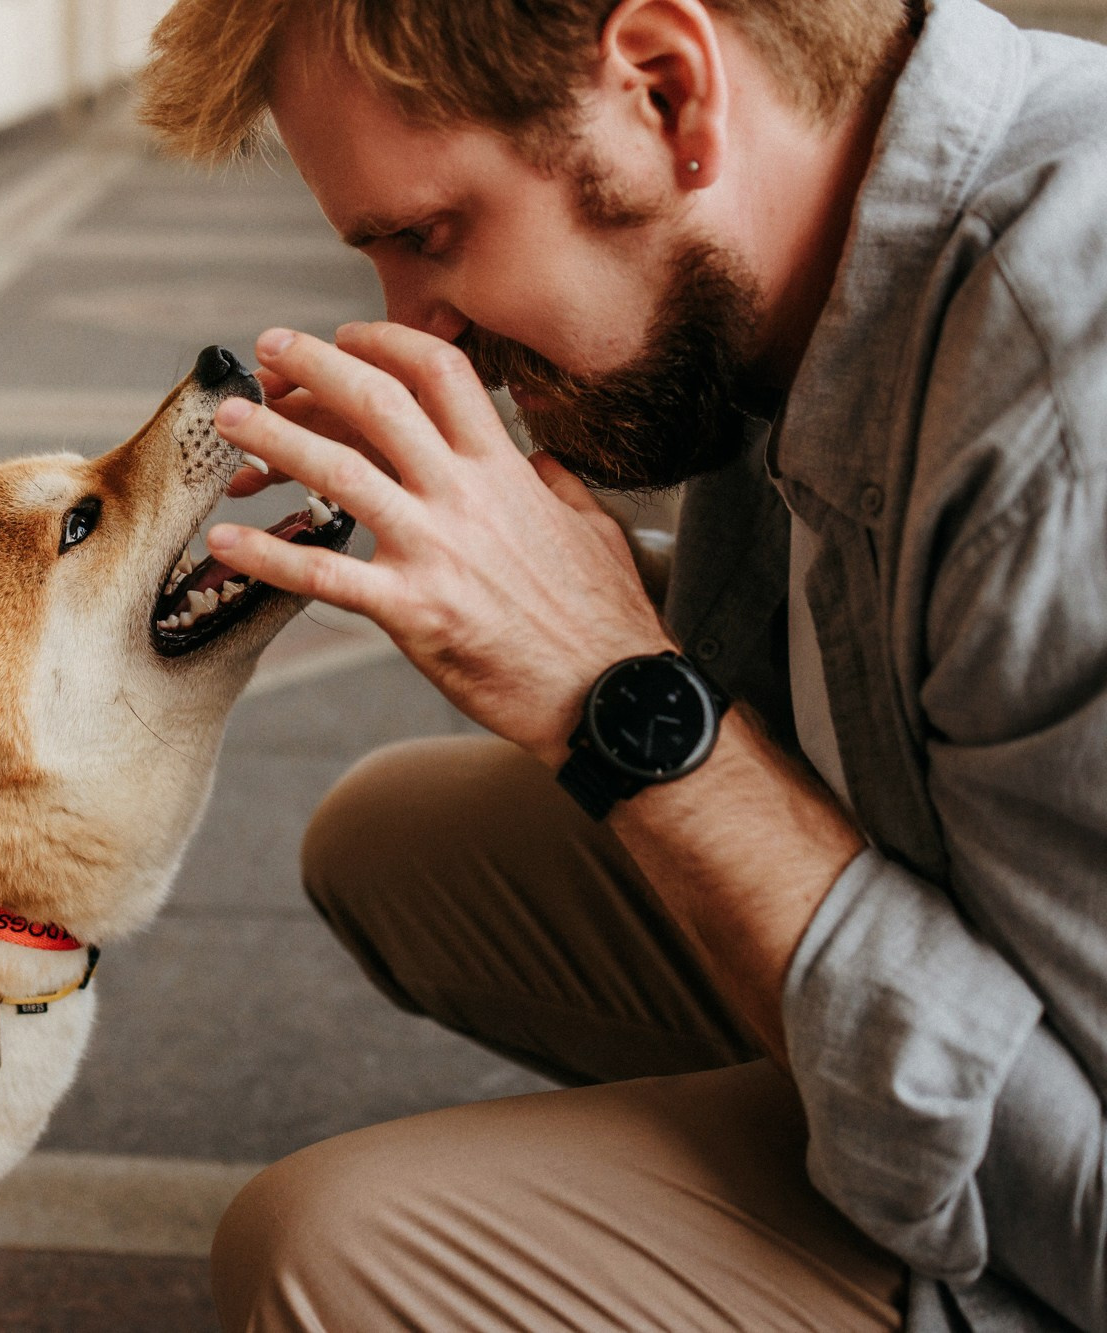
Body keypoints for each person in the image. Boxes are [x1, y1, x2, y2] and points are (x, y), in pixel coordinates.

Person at [139, 0, 1107, 1327]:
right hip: (987, 941)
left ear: (663, 92)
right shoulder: (814, 249)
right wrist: (519, 580)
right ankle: (842, 1107)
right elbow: (878, 644)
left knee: (327, 1253)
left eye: (429, 236)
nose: (423, 328)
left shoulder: (1067, 423)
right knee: (386, 841)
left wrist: (618, 700)